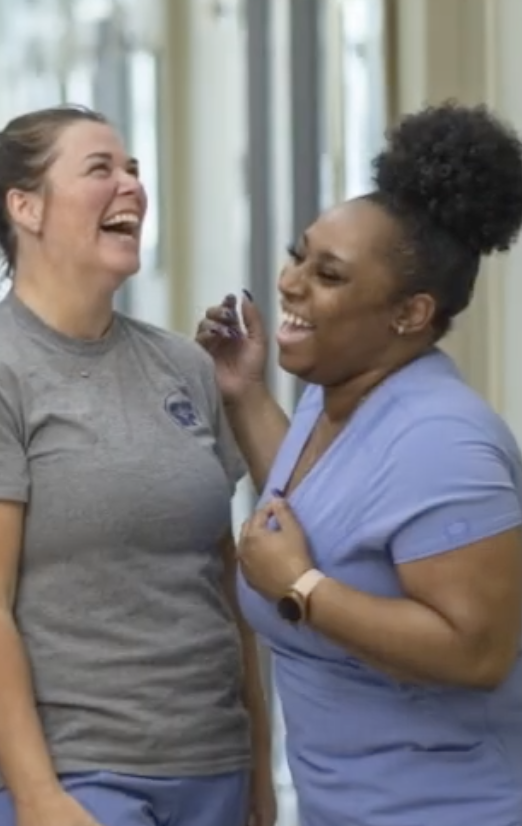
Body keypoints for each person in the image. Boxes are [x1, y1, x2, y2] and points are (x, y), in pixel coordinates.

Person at [0, 105, 275, 826]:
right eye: (100, 170)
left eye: (133, 169)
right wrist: (39, 796)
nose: (131, 187)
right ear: (26, 207)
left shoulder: (183, 367)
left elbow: (224, 582)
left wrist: (258, 762)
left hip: (210, 765)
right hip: (80, 776)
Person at [198, 102, 522, 826]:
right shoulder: (333, 394)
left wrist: (302, 586)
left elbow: (477, 652)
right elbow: (323, 506)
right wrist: (245, 393)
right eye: (299, 254)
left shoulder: (445, 441)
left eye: (330, 275)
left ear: (409, 314)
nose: (290, 283)